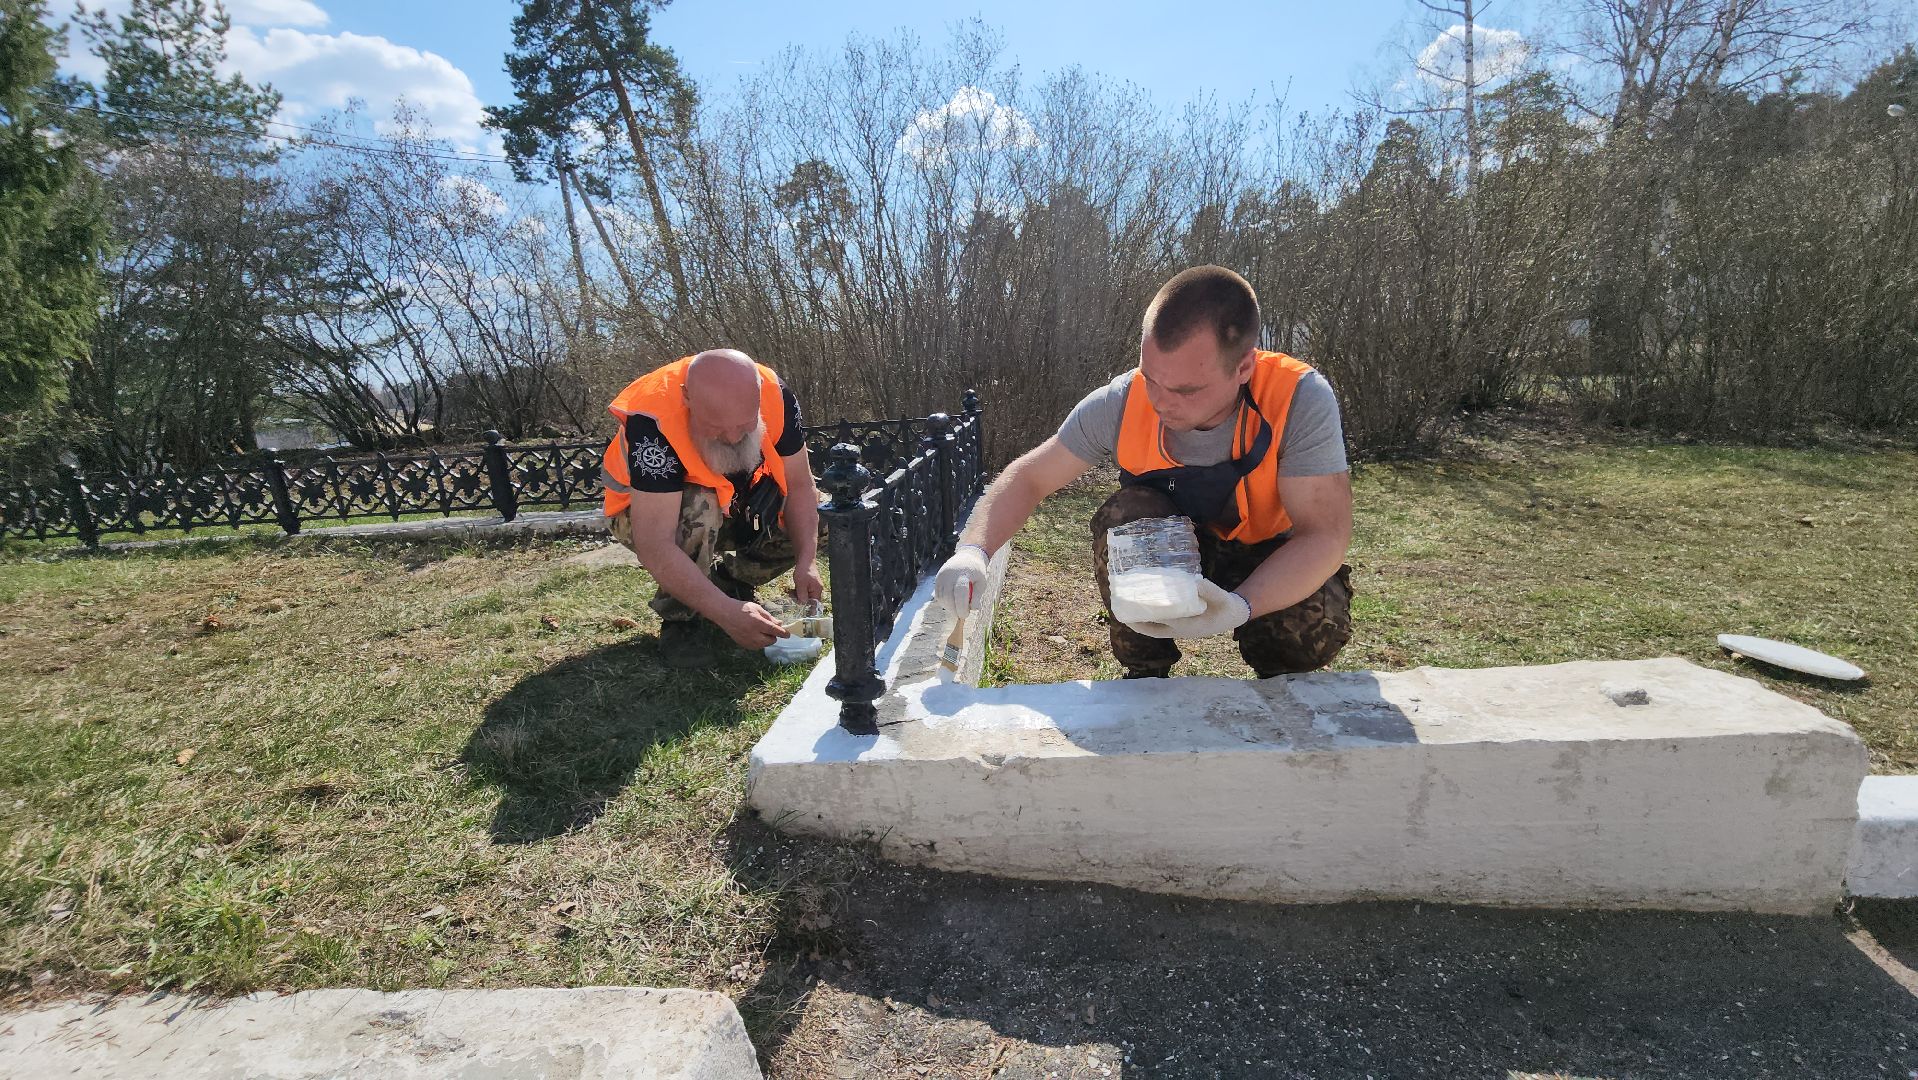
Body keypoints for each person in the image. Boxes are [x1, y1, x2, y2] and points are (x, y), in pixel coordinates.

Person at [933, 266, 1353, 679]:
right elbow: (1028, 478)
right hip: (1169, 557)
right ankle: (1145, 671)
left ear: (1244, 367)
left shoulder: (1296, 397)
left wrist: (1240, 606)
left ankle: (1281, 681)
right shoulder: (1121, 402)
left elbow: (1324, 535)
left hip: (1266, 558)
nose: (1160, 402)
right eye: (1151, 378)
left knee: (1309, 626)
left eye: (1185, 390)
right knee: (1127, 512)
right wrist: (973, 552)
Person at [600, 349, 824, 668]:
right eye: (716, 428)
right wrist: (723, 614)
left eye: (745, 425)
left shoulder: (777, 394)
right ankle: (680, 619)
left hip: (737, 504)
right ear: (687, 398)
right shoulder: (652, 419)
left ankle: (732, 583)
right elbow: (655, 543)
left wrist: (807, 561)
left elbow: (801, 486)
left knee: (823, 517)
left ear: (759, 397)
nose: (733, 438)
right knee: (699, 506)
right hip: (647, 515)